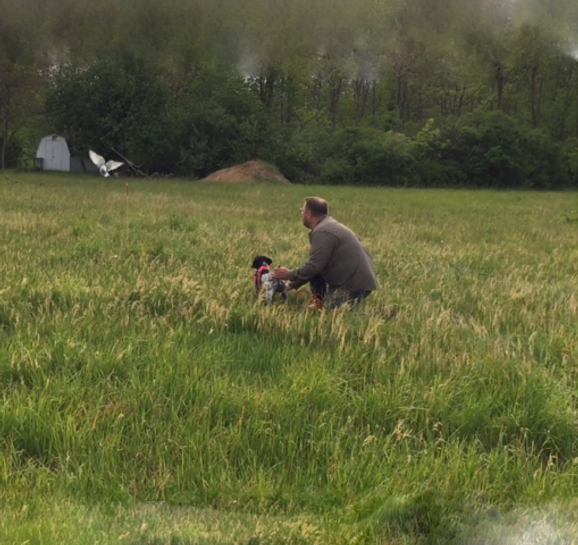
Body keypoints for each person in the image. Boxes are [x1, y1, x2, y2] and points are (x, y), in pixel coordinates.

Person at [272, 197, 377, 309]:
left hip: (354, 285)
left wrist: (289, 274)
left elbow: (314, 266)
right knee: (316, 274)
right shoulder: (328, 225)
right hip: (358, 281)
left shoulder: (322, 231)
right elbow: (315, 266)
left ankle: (379, 314)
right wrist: (291, 285)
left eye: (303, 211)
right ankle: (319, 300)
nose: (302, 215)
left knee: (326, 313)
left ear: (308, 214)